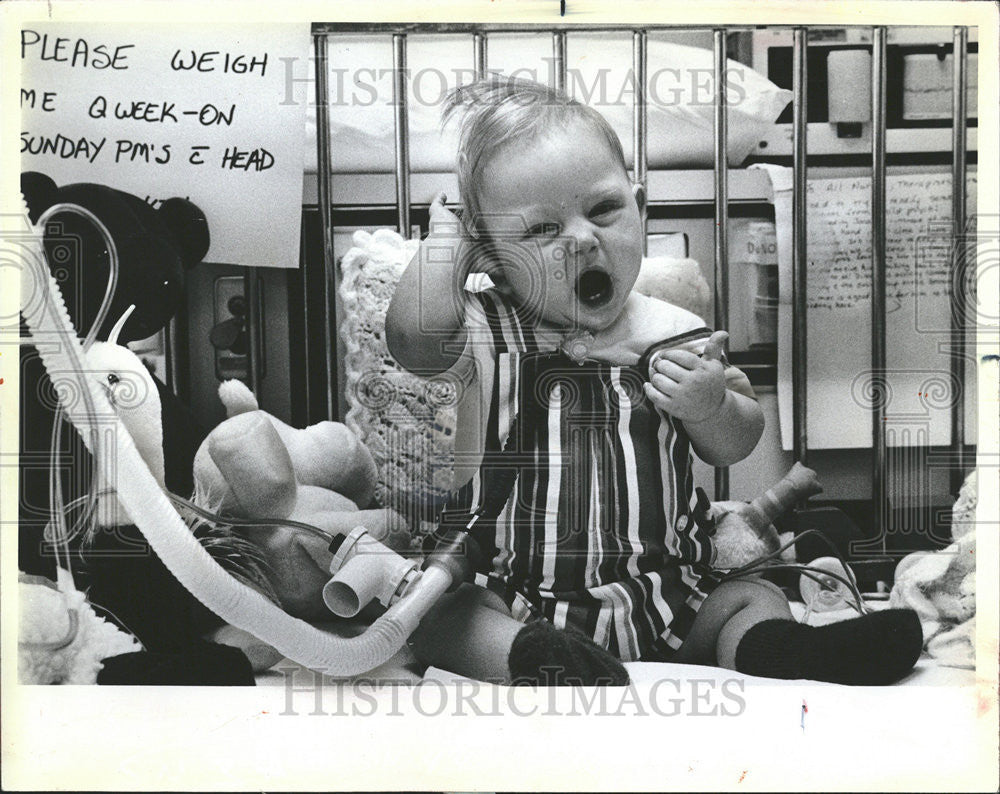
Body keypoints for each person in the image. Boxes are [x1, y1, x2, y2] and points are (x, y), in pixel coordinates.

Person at [386, 76, 922, 686]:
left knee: (748, 597)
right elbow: (414, 342)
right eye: (539, 231)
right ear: (491, 257)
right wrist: (445, 247)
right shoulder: (487, 329)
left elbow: (734, 441)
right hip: (516, 592)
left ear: (640, 207)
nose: (582, 238)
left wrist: (710, 403)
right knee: (444, 616)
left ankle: (778, 650)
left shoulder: (675, 330)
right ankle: (542, 661)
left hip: (669, 594)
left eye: (604, 210)